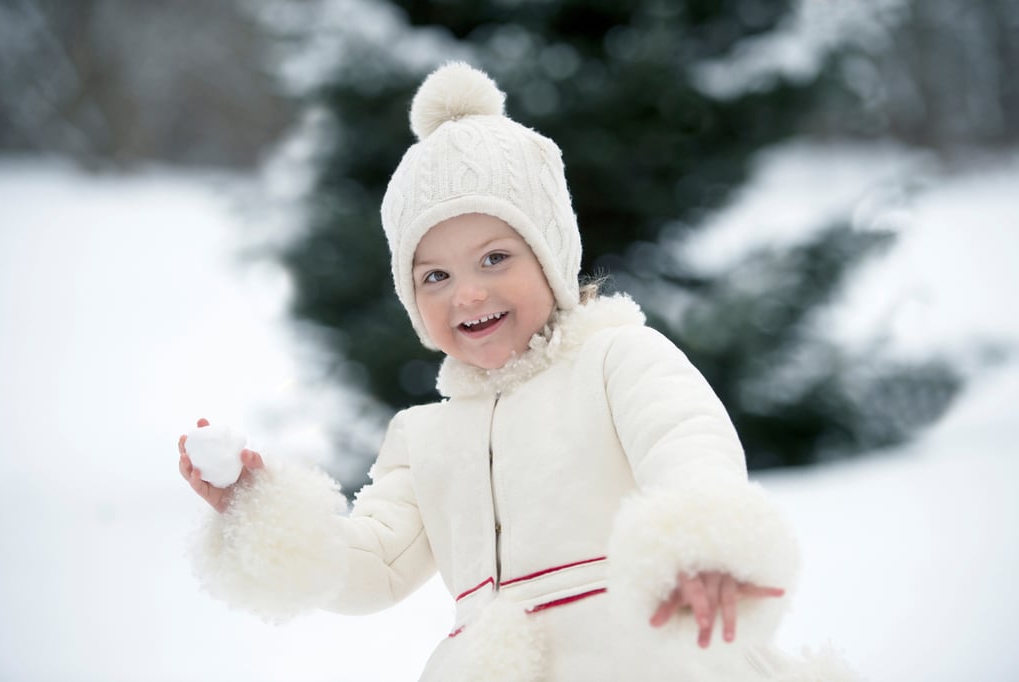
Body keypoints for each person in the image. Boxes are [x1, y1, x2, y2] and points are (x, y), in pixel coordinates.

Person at [178, 62, 857, 681]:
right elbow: (373, 568)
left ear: (552, 258)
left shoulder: (617, 359)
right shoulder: (424, 437)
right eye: (435, 275)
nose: (466, 293)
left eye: (495, 258)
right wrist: (260, 512)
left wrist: (701, 548)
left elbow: (687, 442)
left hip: (637, 656)